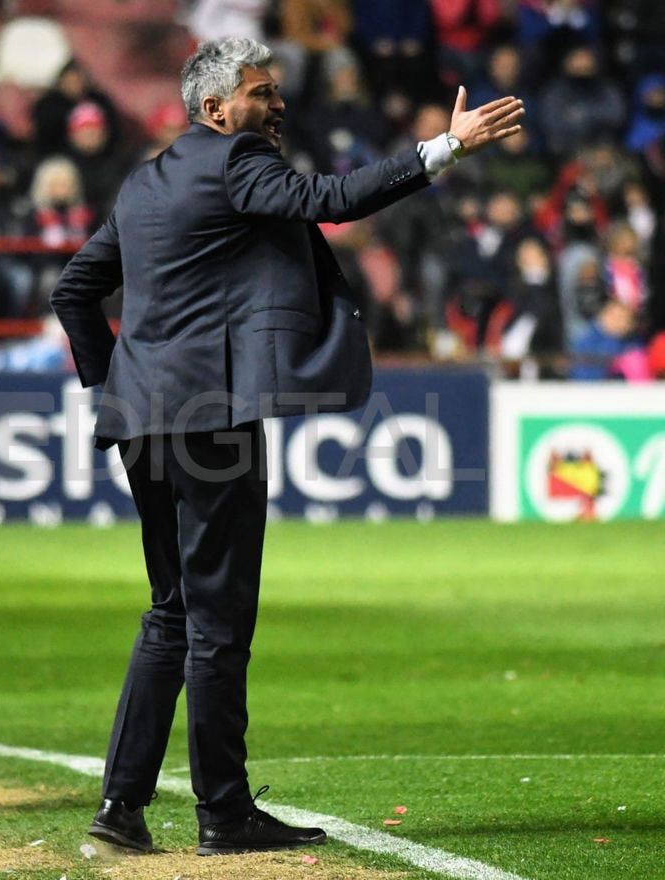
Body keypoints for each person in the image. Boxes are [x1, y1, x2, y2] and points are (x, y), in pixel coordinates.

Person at [50, 37, 523, 856]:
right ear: (214, 109)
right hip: (209, 417)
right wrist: (444, 148)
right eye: (261, 93)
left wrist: (113, 382)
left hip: (140, 418)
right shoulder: (236, 161)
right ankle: (224, 814)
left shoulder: (144, 181)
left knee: (171, 609)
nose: (276, 105)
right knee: (218, 620)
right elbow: (330, 198)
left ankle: (121, 808)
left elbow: (73, 290)